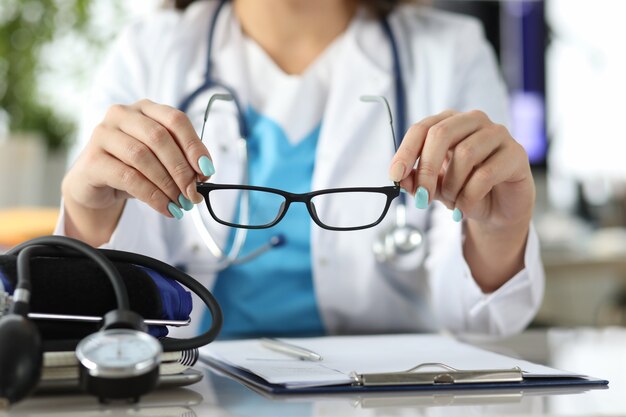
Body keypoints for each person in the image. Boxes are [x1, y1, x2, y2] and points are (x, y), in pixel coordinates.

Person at [56, 0, 544, 339]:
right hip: (192, 390)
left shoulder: (451, 52)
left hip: (386, 397)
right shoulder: (147, 51)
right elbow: (103, 319)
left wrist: (499, 232)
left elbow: (481, 321)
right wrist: (86, 215)